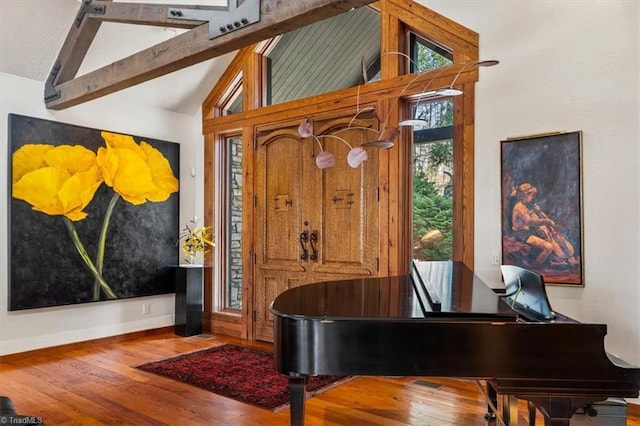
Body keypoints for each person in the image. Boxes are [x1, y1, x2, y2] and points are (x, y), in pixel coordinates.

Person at [510, 183, 564, 265]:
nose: (532, 197)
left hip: (528, 232)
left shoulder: (524, 206)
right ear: (524, 195)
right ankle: (534, 265)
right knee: (549, 247)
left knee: (546, 236)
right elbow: (529, 222)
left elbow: (531, 218)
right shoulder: (519, 208)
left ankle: (556, 259)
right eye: (531, 195)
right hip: (522, 234)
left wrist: (538, 212)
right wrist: (547, 221)